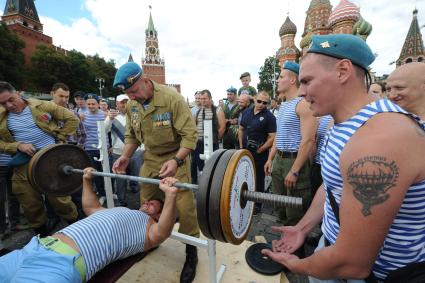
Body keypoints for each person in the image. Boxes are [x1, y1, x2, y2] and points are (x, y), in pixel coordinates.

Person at [262, 34, 425, 282]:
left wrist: (297, 265)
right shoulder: (341, 125)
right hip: (331, 252)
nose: (302, 92)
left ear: (342, 71)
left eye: (307, 81)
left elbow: (352, 264)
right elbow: (332, 186)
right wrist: (302, 228)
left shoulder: (380, 138)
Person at [0, 168, 180, 283]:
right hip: (33, 248)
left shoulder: (149, 230)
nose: (146, 203)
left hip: (61, 264)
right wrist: (86, 180)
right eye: (147, 201)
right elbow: (91, 207)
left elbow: (163, 232)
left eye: (152, 205)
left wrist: (170, 196)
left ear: (158, 215)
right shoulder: (120, 210)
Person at [112, 62, 199, 283]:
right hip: (150, 158)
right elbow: (132, 136)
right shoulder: (132, 105)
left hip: (175, 156)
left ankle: (191, 251)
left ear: (144, 80)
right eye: (127, 94)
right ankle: (150, 239)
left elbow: (190, 137)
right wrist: (125, 156)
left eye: (133, 91)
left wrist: (177, 160)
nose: (131, 97)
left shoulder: (171, 98)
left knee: (184, 205)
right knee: (147, 200)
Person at [0, 81, 79, 237]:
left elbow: (73, 120)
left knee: (60, 199)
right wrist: (17, 145)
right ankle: (41, 235)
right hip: (23, 164)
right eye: (3, 103)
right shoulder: (2, 117)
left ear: (18, 93)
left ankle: (78, 228)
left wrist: (60, 137)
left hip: (50, 161)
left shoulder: (43, 106)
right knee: (30, 203)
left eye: (11, 100)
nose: (8, 105)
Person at [264, 61, 317, 226]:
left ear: (293, 80)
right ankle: (284, 243)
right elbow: (279, 135)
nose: (277, 80)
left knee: (294, 213)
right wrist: (270, 159)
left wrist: (294, 171)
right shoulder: (284, 105)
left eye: (280, 77)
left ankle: (296, 250)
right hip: (279, 160)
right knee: (280, 206)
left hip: (294, 161)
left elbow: (308, 140)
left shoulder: (303, 104)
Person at [239, 91, 276, 214]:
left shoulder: (270, 117)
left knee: (259, 179)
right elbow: (241, 129)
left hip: (260, 153)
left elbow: (272, 137)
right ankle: (245, 199)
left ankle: (257, 205)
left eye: (265, 103)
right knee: (245, 176)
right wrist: (240, 146)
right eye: (259, 101)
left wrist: (262, 148)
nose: (261, 104)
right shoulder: (246, 112)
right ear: (254, 99)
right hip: (245, 151)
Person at [105, 94, 144, 205]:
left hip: (136, 152)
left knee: (136, 174)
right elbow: (104, 130)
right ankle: (121, 200)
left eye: (126, 102)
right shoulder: (112, 116)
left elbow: (141, 132)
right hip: (118, 153)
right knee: (120, 179)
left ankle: (135, 193)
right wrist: (110, 118)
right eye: (122, 102)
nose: (124, 104)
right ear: (117, 104)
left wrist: (143, 148)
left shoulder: (135, 114)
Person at [191, 89, 226, 184]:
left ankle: (212, 187)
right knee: (201, 168)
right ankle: (203, 187)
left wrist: (215, 140)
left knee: (213, 167)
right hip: (199, 144)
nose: (202, 101)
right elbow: (194, 126)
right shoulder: (198, 111)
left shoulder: (218, 110)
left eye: (205, 99)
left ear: (210, 99)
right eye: (201, 99)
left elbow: (222, 127)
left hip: (212, 144)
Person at [81, 93, 108, 201]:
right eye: (89, 104)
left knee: (107, 171)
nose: (91, 106)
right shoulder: (83, 116)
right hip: (90, 147)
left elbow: (109, 132)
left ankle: (110, 192)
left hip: (104, 148)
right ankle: (102, 194)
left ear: (98, 104)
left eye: (93, 104)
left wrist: (109, 146)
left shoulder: (105, 115)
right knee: (95, 172)